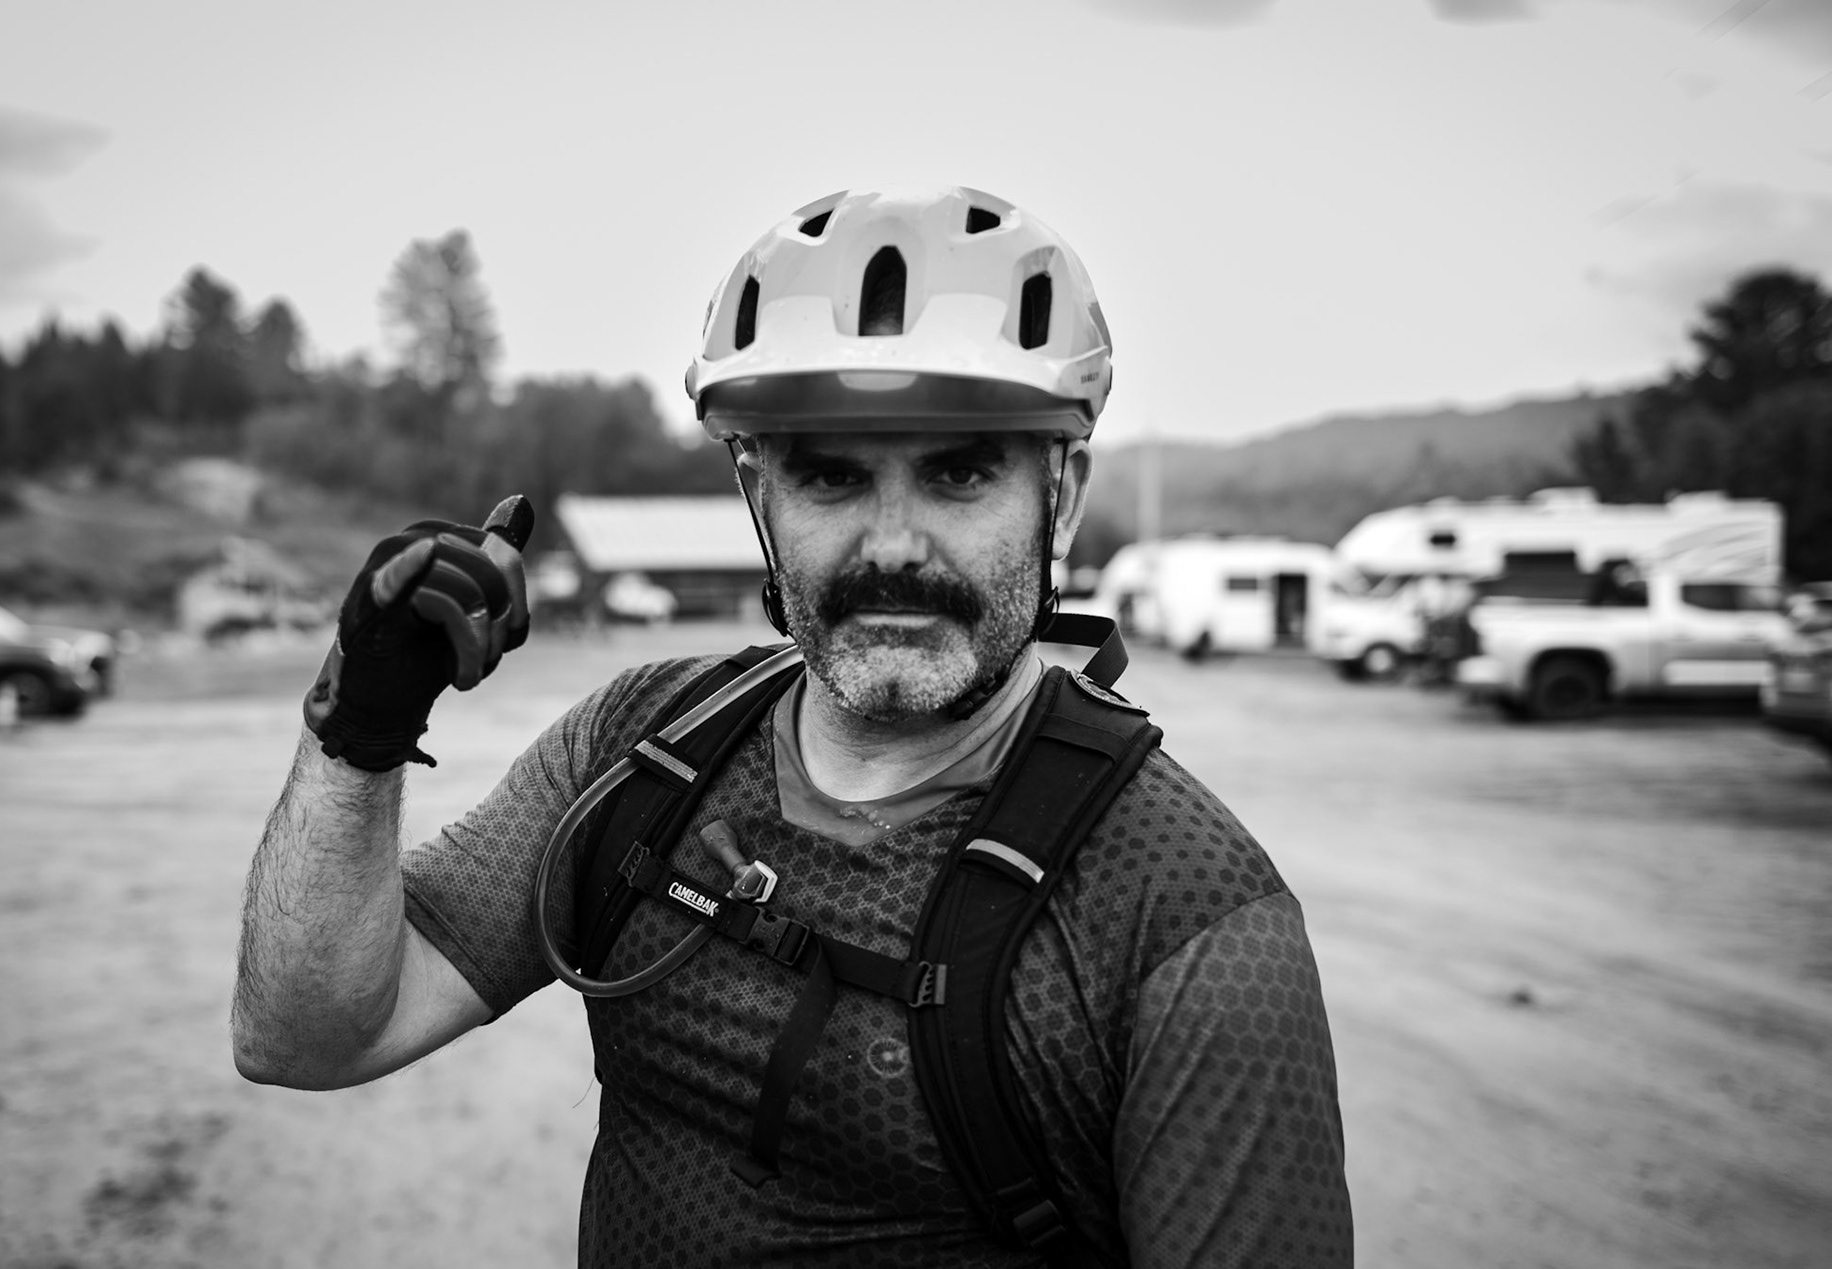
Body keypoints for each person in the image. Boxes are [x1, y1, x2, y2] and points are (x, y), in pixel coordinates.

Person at [233, 186, 1353, 1267]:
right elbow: (304, 1036)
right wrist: (359, 726)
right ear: (759, 493)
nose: (894, 545)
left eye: (961, 474)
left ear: (1060, 497)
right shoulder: (644, 745)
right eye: (832, 478)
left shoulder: (1190, 912)